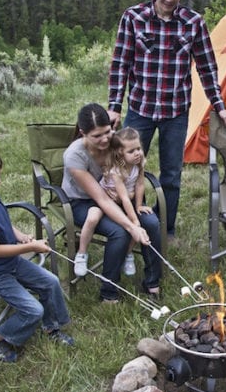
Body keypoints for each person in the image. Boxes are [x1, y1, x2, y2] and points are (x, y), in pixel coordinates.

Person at [107, 0, 226, 238]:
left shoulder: (193, 22)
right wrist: (114, 107)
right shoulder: (133, 17)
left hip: (175, 113)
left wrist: (219, 106)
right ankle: (123, 227)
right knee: (124, 169)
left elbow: (207, 68)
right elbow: (120, 64)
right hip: (140, 109)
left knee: (171, 176)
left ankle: (165, 228)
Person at [0, 142, 74, 363]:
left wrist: (20, 235)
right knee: (32, 310)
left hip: (10, 262)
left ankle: (51, 329)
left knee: (51, 282)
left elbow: (4, 222)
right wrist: (31, 247)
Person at [62, 103, 162, 303]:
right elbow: (100, 198)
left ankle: (152, 282)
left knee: (150, 223)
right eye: (97, 136)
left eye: (107, 132)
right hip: (82, 202)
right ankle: (109, 292)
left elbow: (132, 167)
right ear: (83, 133)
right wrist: (131, 225)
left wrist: (135, 202)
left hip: (118, 194)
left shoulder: (115, 142)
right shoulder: (74, 156)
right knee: (120, 232)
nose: (105, 139)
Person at [72, 126, 152, 279]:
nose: (137, 154)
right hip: (104, 198)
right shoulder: (117, 171)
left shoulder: (139, 163)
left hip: (124, 199)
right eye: (131, 151)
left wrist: (139, 205)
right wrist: (134, 221)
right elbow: (123, 197)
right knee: (93, 216)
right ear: (121, 153)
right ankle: (82, 253)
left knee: (136, 225)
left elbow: (140, 184)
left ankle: (128, 255)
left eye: (139, 149)